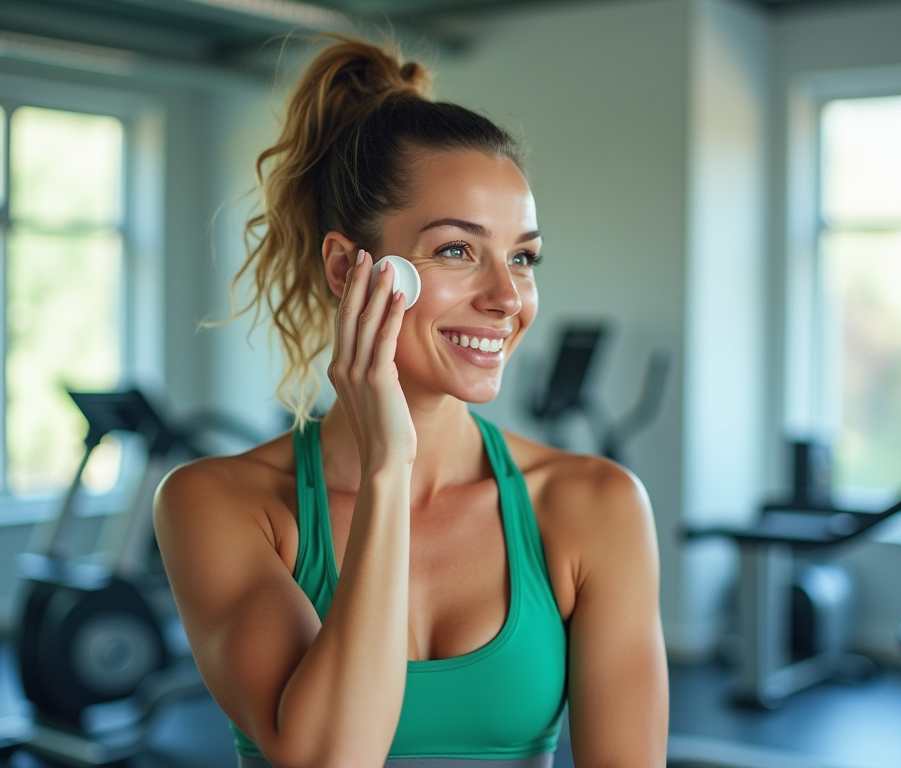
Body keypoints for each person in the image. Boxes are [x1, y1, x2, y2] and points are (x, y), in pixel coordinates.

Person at [154, 35, 668, 768]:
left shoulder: (596, 506)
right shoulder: (214, 504)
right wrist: (388, 469)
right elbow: (328, 759)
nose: (507, 298)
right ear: (346, 268)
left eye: (523, 256)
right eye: (458, 250)